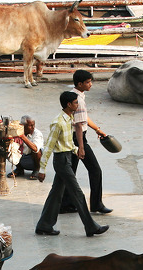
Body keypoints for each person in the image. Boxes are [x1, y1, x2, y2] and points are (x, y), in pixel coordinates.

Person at [35, 91, 108, 238]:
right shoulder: (58, 122)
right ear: (68, 105)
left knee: (56, 194)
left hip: (67, 157)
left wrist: (77, 150)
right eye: (75, 103)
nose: (77, 105)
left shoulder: (69, 119)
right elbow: (49, 146)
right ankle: (91, 227)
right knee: (78, 194)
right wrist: (42, 169)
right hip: (61, 161)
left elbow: (67, 143)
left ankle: (44, 225)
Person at [59, 69, 112, 215]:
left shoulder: (74, 95)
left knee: (71, 172)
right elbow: (78, 126)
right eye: (88, 82)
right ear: (80, 83)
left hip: (72, 138)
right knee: (95, 170)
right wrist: (81, 147)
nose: (91, 85)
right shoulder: (79, 101)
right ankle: (96, 204)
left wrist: (97, 129)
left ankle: (66, 204)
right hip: (78, 139)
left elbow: (84, 118)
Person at [8, 115, 43, 180]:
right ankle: (19, 169)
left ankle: (36, 170)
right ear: (22, 126)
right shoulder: (17, 131)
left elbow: (35, 149)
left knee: (37, 151)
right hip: (22, 157)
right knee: (9, 147)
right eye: (30, 125)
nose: (33, 127)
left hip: (33, 159)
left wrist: (23, 137)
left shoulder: (37, 133)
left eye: (33, 125)